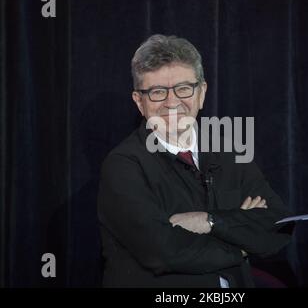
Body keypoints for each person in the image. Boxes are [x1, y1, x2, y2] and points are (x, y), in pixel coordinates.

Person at [97, 34, 293, 287]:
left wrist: (209, 221)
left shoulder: (229, 150)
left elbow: (277, 225)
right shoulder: (123, 166)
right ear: (139, 102)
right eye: (157, 92)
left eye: (183, 88)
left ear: (201, 92)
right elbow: (165, 252)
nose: (172, 102)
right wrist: (242, 244)